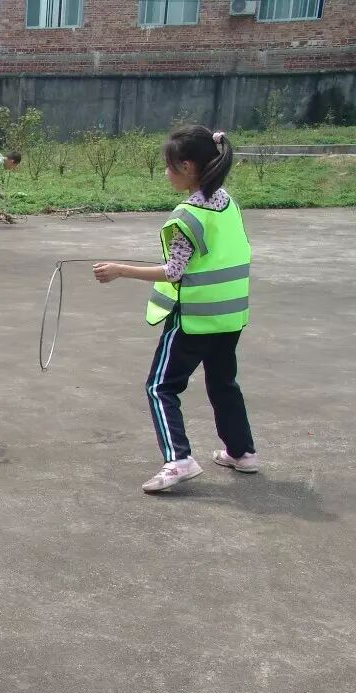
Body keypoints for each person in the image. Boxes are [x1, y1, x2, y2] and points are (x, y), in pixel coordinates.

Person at [93, 125, 256, 494]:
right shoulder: (227, 203)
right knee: (223, 383)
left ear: (186, 166)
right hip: (230, 316)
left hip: (194, 318)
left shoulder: (186, 215)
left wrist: (119, 270)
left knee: (160, 387)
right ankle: (242, 452)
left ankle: (178, 459)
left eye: (168, 166)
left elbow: (173, 272)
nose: (166, 173)